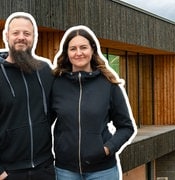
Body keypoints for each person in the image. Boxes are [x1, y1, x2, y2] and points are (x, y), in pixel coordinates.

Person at [0, 12, 55, 180]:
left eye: (27, 33)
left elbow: (55, 110)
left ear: (34, 37)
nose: (21, 37)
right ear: (6, 36)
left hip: (45, 169)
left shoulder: (45, 71)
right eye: (16, 33)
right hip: (9, 172)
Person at [51, 25, 137, 180]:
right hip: (65, 171)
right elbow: (43, 121)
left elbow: (126, 127)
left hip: (102, 171)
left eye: (83, 47)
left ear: (92, 50)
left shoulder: (108, 84)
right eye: (73, 49)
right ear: (67, 53)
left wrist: (107, 149)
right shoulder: (56, 84)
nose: (78, 53)